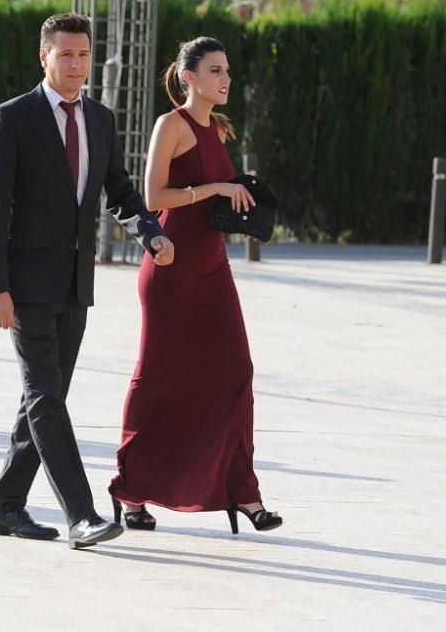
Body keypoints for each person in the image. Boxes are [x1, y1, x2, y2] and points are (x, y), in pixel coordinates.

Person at [0, 13, 175, 549]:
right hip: (27, 284)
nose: (75, 64)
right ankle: (82, 515)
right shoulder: (13, 117)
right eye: (64, 54)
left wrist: (149, 233)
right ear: (44, 57)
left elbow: (121, 192)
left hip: (76, 284)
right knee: (45, 397)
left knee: (45, 400)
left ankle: (5, 507)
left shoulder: (101, 120)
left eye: (83, 54)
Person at [108, 37, 283, 535]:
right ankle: (132, 490)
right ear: (189, 77)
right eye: (215, 70)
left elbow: (215, 201)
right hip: (170, 267)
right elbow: (152, 195)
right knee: (158, 380)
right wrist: (215, 188)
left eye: (227, 70)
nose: (225, 78)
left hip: (212, 267)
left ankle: (243, 493)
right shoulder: (173, 125)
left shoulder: (217, 129)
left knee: (235, 373)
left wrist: (242, 197)